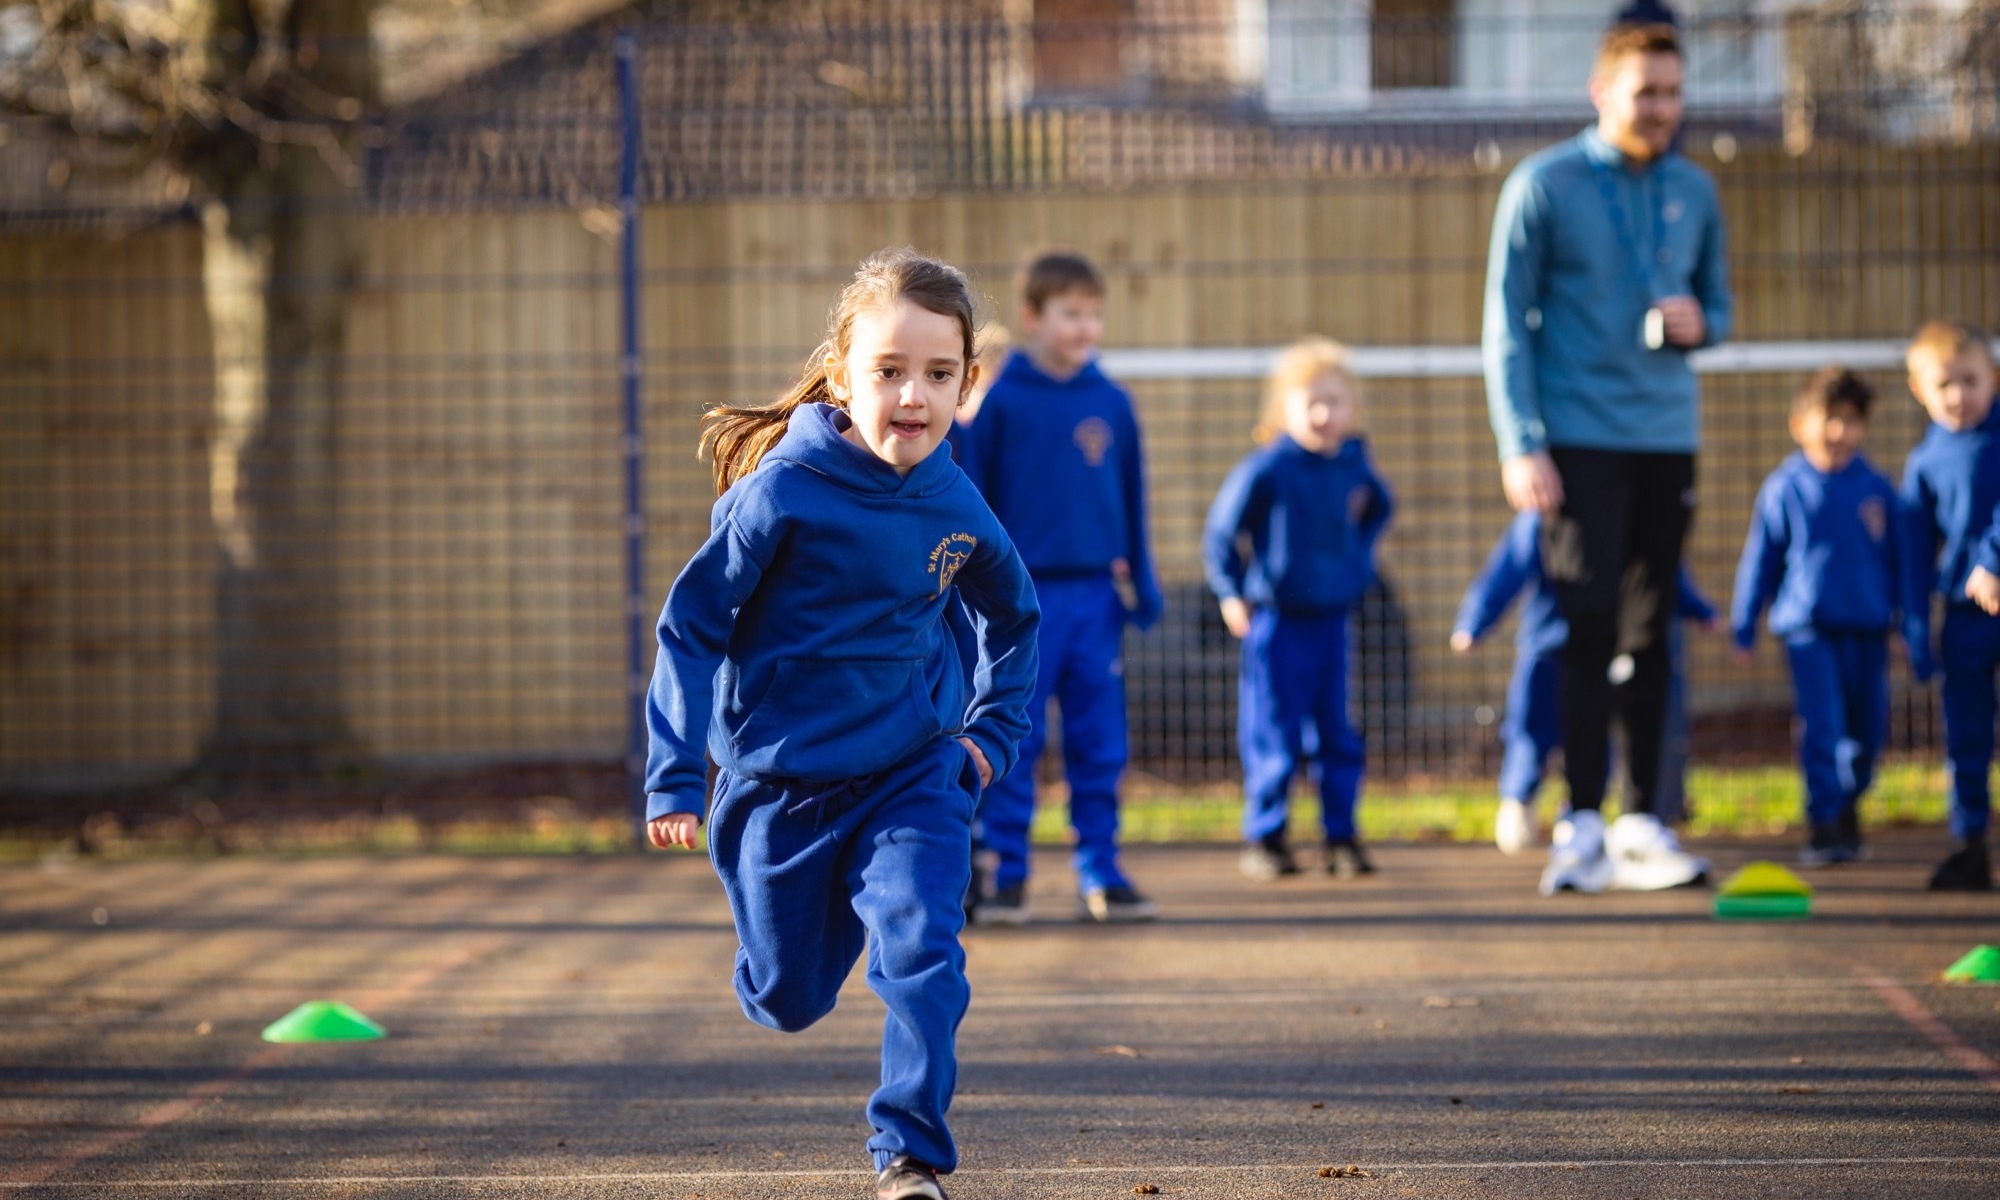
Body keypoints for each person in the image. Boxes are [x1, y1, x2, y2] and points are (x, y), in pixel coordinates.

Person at [643, 248, 1041, 1200]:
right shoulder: (782, 492)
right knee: (787, 998)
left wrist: (988, 736)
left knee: (923, 951)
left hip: (913, 771)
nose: (913, 395)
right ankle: (786, 944)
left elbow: (1013, 620)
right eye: (889, 371)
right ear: (841, 375)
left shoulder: (957, 500)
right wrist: (672, 771)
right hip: (781, 783)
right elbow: (690, 626)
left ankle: (908, 1156)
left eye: (938, 375)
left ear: (968, 383)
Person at [1480, 21, 1732, 895]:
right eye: (1644, 93)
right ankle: (1579, 823)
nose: (1661, 109)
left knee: (1649, 633)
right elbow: (1505, 326)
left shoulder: (1696, 191)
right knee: (1582, 631)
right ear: (1601, 93)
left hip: (1666, 437)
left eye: (1672, 93)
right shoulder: (1541, 185)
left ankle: (1644, 823)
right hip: (1575, 443)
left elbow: (1721, 306)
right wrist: (1523, 443)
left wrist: (1709, 325)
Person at [949, 251, 1164, 924]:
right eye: (1071, 313)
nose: (1086, 326)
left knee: (1100, 738)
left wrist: (1144, 581)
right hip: (1015, 604)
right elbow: (973, 501)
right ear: (1033, 317)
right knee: (1012, 734)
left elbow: (1133, 498)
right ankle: (1006, 873)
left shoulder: (1113, 402)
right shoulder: (1003, 404)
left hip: (1096, 599)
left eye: (1094, 313)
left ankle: (1100, 869)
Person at [1202, 338, 1395, 882]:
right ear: (1282, 409)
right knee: (1272, 730)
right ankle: (1268, 835)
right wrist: (1231, 591)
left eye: (1334, 401)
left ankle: (1341, 834)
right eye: (1309, 400)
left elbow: (1380, 507)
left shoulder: (1355, 468)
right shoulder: (1270, 468)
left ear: (1352, 410)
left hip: (1332, 619)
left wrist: (1355, 557)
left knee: (1335, 730)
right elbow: (1221, 532)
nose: (1322, 413)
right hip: (1277, 620)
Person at [1451, 512, 1716, 860]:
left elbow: (1656, 573)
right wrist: (1474, 622)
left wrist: (1698, 609)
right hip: (1546, 648)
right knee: (1530, 729)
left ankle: (1577, 815)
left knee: (1596, 731)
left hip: (1600, 649)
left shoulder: (1618, 511)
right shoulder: (1539, 521)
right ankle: (1519, 800)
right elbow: (1503, 573)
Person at [1730, 367, 1911, 868]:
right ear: (1799, 424)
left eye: (1852, 421)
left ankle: (1851, 804)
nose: (1840, 432)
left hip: (1869, 628)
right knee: (1822, 726)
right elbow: (1761, 559)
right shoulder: (1785, 487)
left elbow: (1900, 563)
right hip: (1808, 630)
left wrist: (1906, 626)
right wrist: (1744, 625)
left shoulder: (1876, 488)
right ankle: (1824, 822)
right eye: (1829, 419)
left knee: (1868, 729)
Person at [1901, 320, 1999, 890]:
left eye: (1972, 380)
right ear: (1920, 390)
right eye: (1945, 385)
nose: (1960, 396)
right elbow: (1916, 554)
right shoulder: (1924, 463)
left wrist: (1994, 557)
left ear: (1992, 379)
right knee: (1966, 735)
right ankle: (1969, 844)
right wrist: (1916, 628)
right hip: (1964, 620)